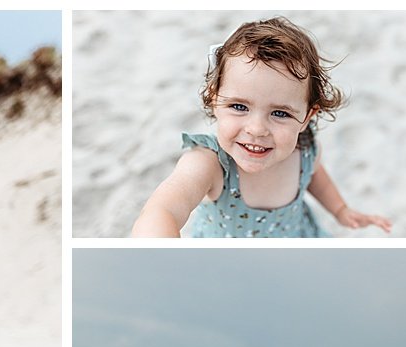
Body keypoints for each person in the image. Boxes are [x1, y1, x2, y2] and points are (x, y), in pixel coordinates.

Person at [131, 17, 391, 237]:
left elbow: (315, 177)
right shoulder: (208, 163)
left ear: (307, 117)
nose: (257, 129)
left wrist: (340, 210)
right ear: (214, 98)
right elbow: (163, 209)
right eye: (239, 107)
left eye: (280, 113)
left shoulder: (305, 150)